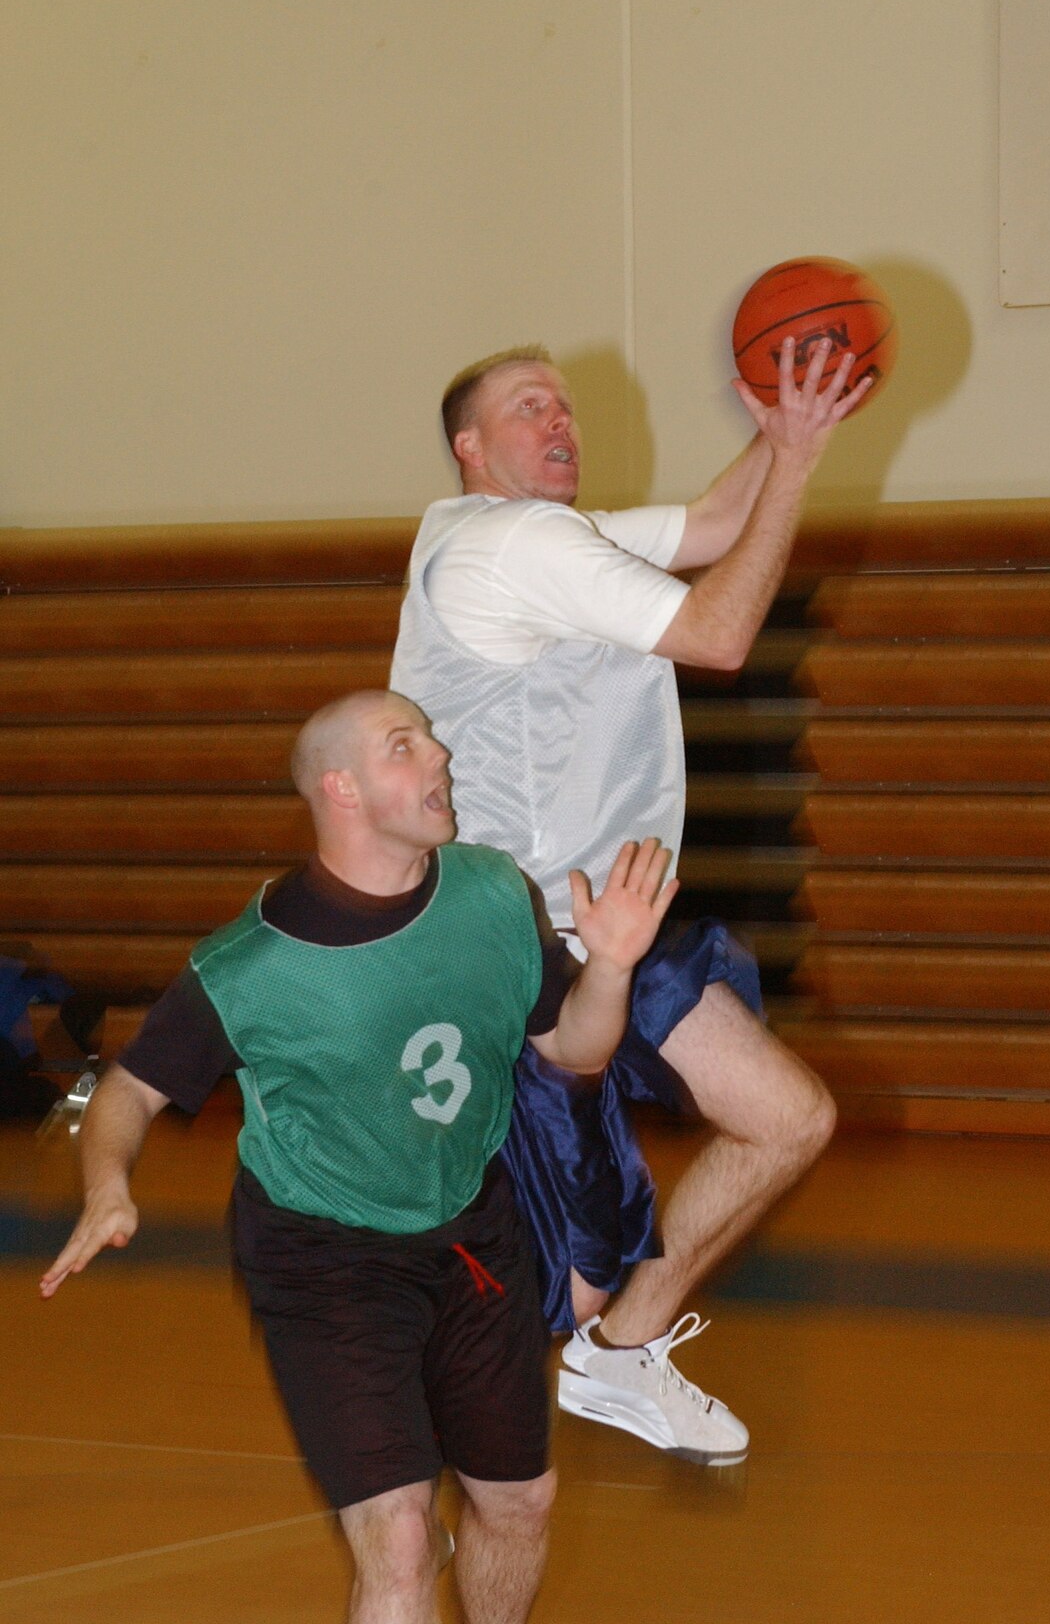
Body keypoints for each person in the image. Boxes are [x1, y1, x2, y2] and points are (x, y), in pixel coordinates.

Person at [40, 689, 676, 1624]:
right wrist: (107, 1187)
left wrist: (613, 965)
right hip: (323, 1256)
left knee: (518, 1502)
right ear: (340, 787)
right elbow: (130, 1088)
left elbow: (571, 1049)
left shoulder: (493, 891)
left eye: (431, 738)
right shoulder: (252, 965)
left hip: (472, 1234)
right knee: (402, 1536)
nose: (441, 757)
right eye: (405, 745)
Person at [391, 332, 870, 1466]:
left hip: (611, 922)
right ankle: (437, 1456)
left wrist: (783, 419)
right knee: (548, 1272)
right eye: (525, 407)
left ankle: (620, 1353)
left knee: (790, 1115)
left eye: (562, 404)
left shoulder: (557, 537)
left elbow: (708, 527)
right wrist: (797, 465)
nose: (557, 420)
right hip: (525, 953)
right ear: (470, 446)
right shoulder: (510, 545)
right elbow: (717, 628)